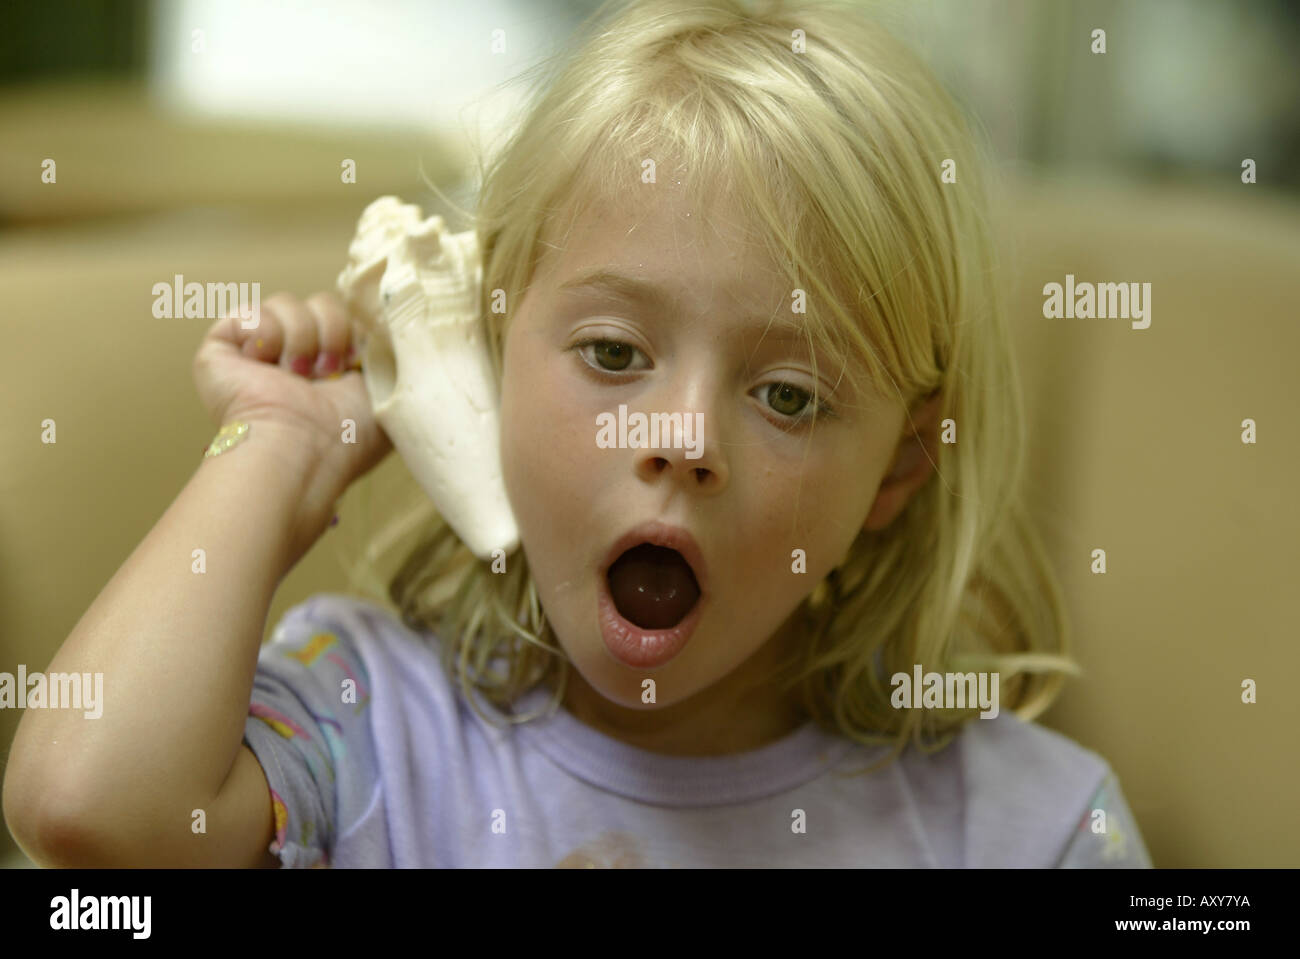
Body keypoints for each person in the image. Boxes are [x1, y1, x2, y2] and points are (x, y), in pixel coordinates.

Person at [3, 0, 1151, 868]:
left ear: (899, 464)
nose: (680, 437)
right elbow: (81, 805)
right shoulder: (373, 722)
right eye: (612, 354)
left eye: (789, 395)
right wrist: (281, 438)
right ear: (490, 356)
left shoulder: (1031, 825)